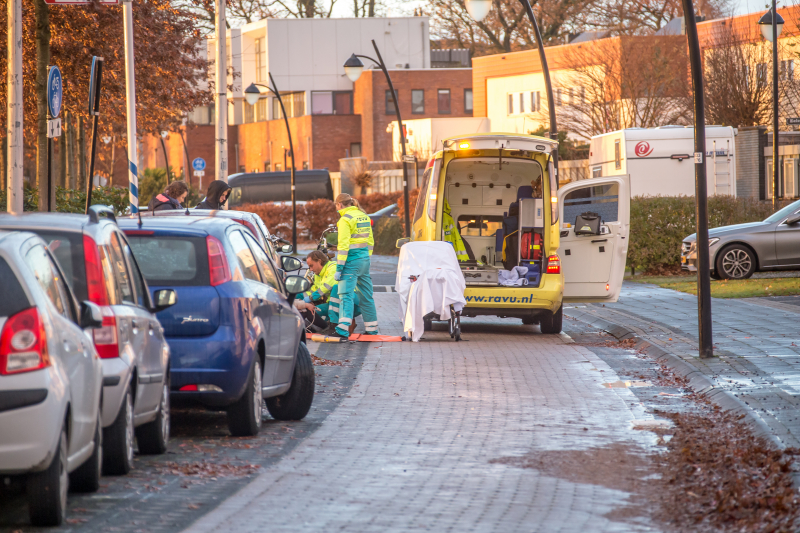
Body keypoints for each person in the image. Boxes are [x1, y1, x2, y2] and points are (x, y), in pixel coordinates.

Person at [331, 193, 378, 338]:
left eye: (337, 207)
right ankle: (372, 328)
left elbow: (343, 246)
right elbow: (370, 240)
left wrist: (339, 267)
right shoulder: (363, 216)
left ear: (339, 205)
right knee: (366, 295)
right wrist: (366, 258)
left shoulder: (345, 220)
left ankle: (343, 328)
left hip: (351, 262)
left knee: (346, 295)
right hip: (364, 260)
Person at [303, 250, 361, 334]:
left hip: (351, 302)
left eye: (312, 266)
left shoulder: (333, 267)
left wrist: (310, 298)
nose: (311, 269)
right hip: (334, 304)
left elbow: (328, 285)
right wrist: (302, 300)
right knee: (312, 313)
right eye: (309, 267)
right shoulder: (318, 275)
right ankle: (329, 326)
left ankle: (334, 326)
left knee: (335, 288)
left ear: (319, 261)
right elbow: (314, 289)